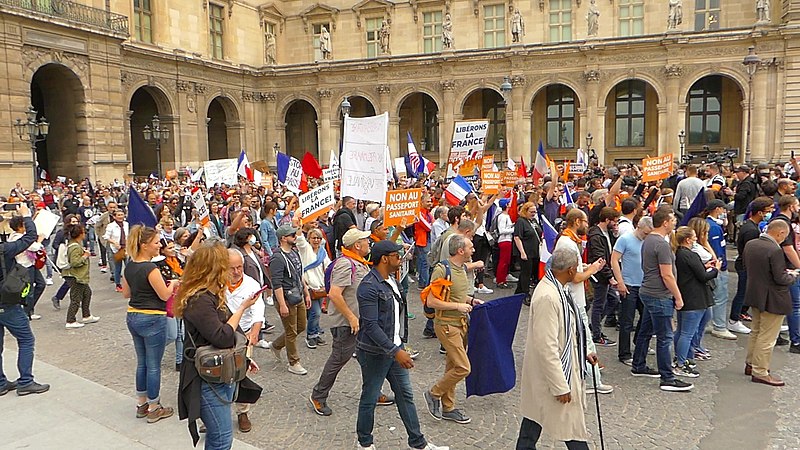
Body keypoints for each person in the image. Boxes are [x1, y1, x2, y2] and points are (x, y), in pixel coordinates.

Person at [355, 239, 448, 450]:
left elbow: (396, 317)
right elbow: (370, 325)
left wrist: (399, 345)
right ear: (385, 258)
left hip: (394, 347)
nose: (401, 259)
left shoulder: (392, 281)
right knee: (370, 397)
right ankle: (365, 443)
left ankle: (418, 442)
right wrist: (395, 351)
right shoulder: (369, 286)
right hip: (375, 353)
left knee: (405, 395)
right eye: (397, 256)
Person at [176, 243, 260, 449]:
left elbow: (231, 330)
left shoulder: (211, 295)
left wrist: (245, 358)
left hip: (218, 374)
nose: (231, 272)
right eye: (225, 267)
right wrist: (242, 307)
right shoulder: (199, 300)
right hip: (206, 379)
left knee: (217, 437)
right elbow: (223, 336)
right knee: (222, 439)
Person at [515, 247, 597, 450]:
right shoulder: (548, 296)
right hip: (553, 375)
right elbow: (546, 346)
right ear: (570, 270)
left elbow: (566, 330)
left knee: (534, 420)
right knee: (571, 429)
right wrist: (560, 385)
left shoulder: (557, 289)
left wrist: (582, 352)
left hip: (558, 368)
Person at [122, 225, 180, 423]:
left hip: (133, 315)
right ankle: (154, 406)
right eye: (156, 242)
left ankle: (141, 403)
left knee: (142, 362)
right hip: (153, 317)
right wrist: (172, 283)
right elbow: (164, 295)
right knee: (154, 364)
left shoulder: (129, 265)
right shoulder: (150, 268)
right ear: (145, 245)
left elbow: (126, 293)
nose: (159, 246)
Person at [423, 234, 483, 424]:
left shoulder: (462, 269)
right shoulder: (442, 270)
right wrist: (458, 307)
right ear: (460, 251)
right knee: (464, 367)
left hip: (461, 323)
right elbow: (432, 301)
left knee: (453, 366)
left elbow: (456, 296)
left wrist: (471, 301)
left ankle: (448, 407)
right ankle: (434, 393)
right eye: (470, 247)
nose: (473, 250)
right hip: (447, 325)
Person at [633, 206, 693, 392]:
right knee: (665, 337)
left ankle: (638, 364)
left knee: (646, 330)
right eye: (673, 220)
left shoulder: (649, 240)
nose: (675, 222)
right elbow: (667, 275)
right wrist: (678, 296)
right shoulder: (661, 244)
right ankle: (667, 377)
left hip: (648, 291)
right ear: (665, 223)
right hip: (659, 294)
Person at [554, 208, 611, 393]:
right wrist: (592, 269)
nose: (587, 225)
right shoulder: (567, 244)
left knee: (580, 340)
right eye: (585, 222)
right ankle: (593, 381)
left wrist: (585, 266)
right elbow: (574, 277)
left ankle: (586, 378)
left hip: (575, 298)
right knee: (585, 341)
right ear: (577, 221)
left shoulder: (570, 241)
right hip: (574, 300)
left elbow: (574, 270)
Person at [0, 203, 50, 396]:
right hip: (6, 302)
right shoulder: (4, 249)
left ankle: (1, 383)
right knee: (26, 339)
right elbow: (30, 238)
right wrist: (27, 216)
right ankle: (25, 382)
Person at [744, 220, 796, 386]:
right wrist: (793, 275)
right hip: (773, 297)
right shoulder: (774, 250)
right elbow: (780, 278)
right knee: (767, 337)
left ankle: (751, 364)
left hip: (755, 293)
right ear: (780, 233)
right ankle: (760, 371)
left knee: (756, 331)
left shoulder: (751, 244)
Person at [224, 249, 266, 433]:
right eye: (231, 268)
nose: (236, 271)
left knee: (241, 374)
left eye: (239, 267)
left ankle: (243, 412)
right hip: (222, 334)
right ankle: (217, 413)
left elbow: (258, 310)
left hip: (245, 335)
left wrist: (255, 332)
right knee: (219, 373)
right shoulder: (216, 283)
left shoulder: (252, 284)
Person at [265, 223, 311, 375]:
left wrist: (306, 291)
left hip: (298, 295)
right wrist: (282, 304)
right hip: (287, 298)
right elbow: (276, 283)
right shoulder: (277, 258)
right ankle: (294, 361)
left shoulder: (294, 252)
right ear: (283, 238)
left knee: (301, 326)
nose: (295, 237)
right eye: (292, 235)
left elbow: (299, 274)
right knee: (291, 331)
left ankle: (276, 345)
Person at [673, 226, 718, 377]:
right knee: (687, 333)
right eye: (693, 237)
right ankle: (681, 363)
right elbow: (703, 277)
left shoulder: (679, 254)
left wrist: (703, 267)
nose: (696, 239)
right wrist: (715, 269)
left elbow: (694, 271)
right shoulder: (691, 255)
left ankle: (681, 358)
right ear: (687, 239)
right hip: (695, 298)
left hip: (686, 295)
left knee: (681, 331)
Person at [611, 217, 652, 365]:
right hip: (629, 284)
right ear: (639, 227)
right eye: (645, 233)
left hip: (644, 284)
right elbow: (614, 260)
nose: (646, 236)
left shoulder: (648, 241)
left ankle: (638, 341)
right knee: (626, 321)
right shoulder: (625, 239)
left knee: (646, 317)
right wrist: (620, 282)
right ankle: (624, 353)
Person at [703, 199, 743, 338]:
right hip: (718, 266)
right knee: (720, 297)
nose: (725, 213)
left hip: (715, 265)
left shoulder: (712, 225)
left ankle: (709, 322)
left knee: (713, 296)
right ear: (717, 209)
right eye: (723, 210)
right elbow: (716, 248)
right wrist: (720, 264)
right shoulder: (713, 227)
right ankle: (719, 326)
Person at [732, 197, 774, 325]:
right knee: (742, 293)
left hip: (745, 265)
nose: (770, 212)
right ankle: (734, 318)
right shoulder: (751, 230)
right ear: (760, 212)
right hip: (745, 266)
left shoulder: (752, 226)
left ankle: (741, 313)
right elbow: (749, 251)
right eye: (768, 210)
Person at [770, 195, 800, 354]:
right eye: (797, 205)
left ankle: (776, 335)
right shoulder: (784, 224)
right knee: (794, 305)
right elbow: (788, 249)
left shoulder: (778, 221)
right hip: (787, 268)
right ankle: (796, 341)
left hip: (780, 267)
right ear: (790, 207)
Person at [587, 207, 620, 345]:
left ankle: (594, 326)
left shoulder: (607, 233)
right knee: (599, 305)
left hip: (605, 273)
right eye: (615, 222)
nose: (616, 224)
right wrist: (610, 276)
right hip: (600, 275)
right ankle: (596, 334)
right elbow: (600, 257)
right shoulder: (596, 236)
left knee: (613, 300)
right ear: (607, 220)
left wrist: (615, 234)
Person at [296, 225, 330, 349]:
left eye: (318, 238)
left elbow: (328, 265)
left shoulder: (322, 252)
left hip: (320, 286)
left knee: (316, 312)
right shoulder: (305, 250)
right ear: (309, 239)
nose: (316, 240)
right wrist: (298, 223)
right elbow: (299, 239)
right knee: (315, 312)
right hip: (309, 286)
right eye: (314, 238)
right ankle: (310, 336)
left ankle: (315, 333)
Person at [62, 223, 99, 328]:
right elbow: (75, 262)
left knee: (87, 293)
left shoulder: (75, 245)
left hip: (79, 276)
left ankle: (86, 315)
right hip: (75, 276)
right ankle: (70, 320)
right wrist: (85, 256)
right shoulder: (75, 247)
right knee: (76, 298)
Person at [513, 202, 541, 302]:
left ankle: (518, 292)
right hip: (526, 252)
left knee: (527, 273)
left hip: (534, 252)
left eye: (535, 212)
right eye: (531, 212)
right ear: (525, 211)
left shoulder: (533, 221)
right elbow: (517, 237)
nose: (533, 214)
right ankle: (525, 294)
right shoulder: (520, 221)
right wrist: (522, 252)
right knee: (526, 274)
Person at [104, 209, 130, 292]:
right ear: (114, 217)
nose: (120, 217)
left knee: (129, 267)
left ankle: (130, 284)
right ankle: (118, 284)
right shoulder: (111, 226)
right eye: (118, 215)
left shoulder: (126, 224)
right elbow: (106, 237)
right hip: (116, 249)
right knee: (117, 268)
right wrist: (114, 242)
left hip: (126, 248)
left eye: (122, 215)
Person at [495, 198, 515, 289]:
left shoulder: (505, 216)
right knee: (503, 261)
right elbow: (501, 230)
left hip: (507, 240)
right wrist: (513, 229)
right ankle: (500, 280)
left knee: (506, 261)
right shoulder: (503, 216)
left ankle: (503, 279)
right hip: (504, 240)